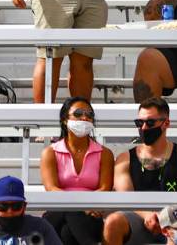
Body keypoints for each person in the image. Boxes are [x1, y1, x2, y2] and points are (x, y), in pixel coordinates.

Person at [103, 98, 177, 245]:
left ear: (166, 123)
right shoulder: (124, 159)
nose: (144, 128)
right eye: (139, 123)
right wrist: (148, 215)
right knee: (113, 222)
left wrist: (165, 218)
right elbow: (125, 199)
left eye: (150, 123)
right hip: (140, 217)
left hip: (175, 216)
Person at [41, 97, 115, 245]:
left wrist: (83, 206)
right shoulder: (50, 152)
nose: (84, 117)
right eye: (78, 113)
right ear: (64, 119)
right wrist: (80, 205)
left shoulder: (105, 153)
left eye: (89, 114)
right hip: (59, 210)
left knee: (67, 233)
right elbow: (51, 188)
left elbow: (105, 187)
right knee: (66, 215)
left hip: (91, 214)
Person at [0, 176, 62, 245]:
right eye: (3, 206)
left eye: (16, 206)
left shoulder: (41, 228)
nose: (10, 211)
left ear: (24, 206)